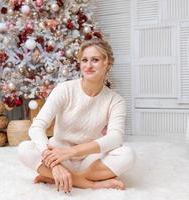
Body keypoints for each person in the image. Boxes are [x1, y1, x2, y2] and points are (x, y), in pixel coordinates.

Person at [18, 38, 136, 193]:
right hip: (58, 154)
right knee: (24, 148)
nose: (88, 65)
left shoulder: (115, 100)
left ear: (107, 63)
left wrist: (72, 152)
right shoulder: (64, 90)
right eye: (84, 60)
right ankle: (88, 183)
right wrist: (53, 161)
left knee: (127, 155)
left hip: (89, 158)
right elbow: (37, 126)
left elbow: (115, 138)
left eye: (95, 60)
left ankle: (61, 178)